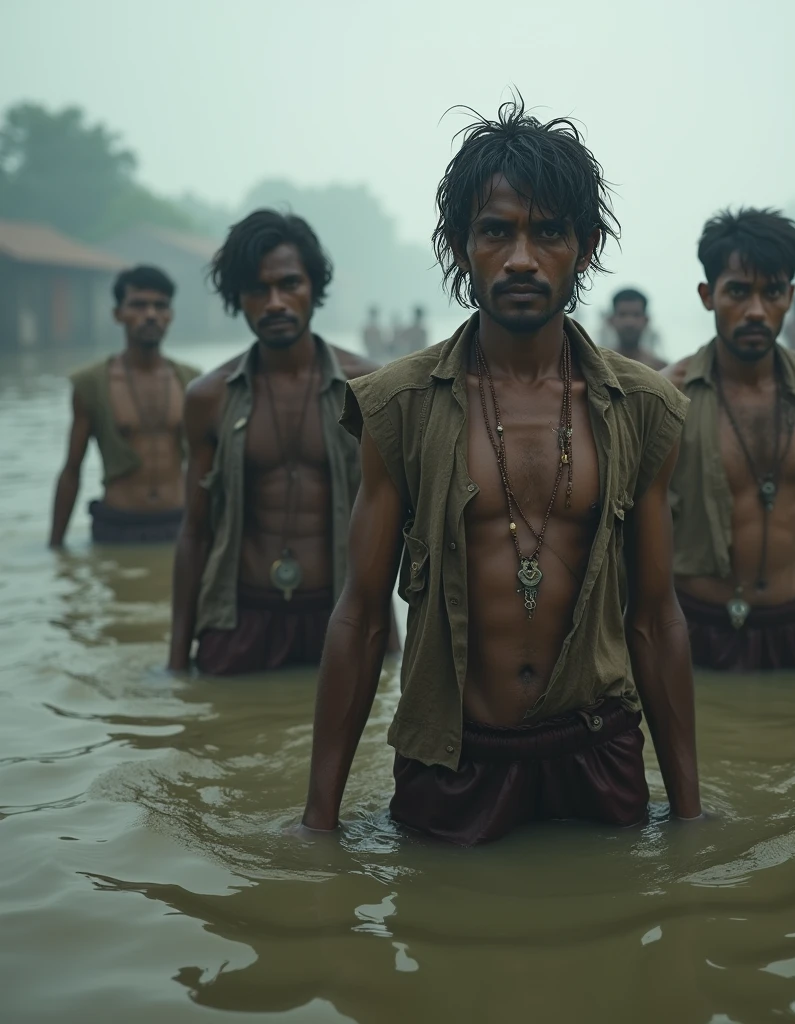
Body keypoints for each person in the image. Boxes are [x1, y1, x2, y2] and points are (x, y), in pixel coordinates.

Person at [301, 99, 701, 845]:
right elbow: (358, 617)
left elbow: (655, 617)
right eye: (497, 231)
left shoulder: (644, 408)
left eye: (548, 232)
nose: (522, 258)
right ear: (460, 248)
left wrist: (689, 816)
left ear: (585, 247)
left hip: (598, 753)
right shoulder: (401, 405)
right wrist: (317, 824)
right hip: (456, 757)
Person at [663, 209, 795, 673]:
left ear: (790, 296)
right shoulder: (667, 396)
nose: (757, 311)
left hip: (793, 629)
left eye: (773, 292)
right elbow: (633, 543)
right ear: (708, 296)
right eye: (738, 291)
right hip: (695, 629)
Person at [168, 210, 381, 676]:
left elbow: (389, 527)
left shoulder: (366, 387)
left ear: (314, 288)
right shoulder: (209, 397)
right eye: (257, 290)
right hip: (241, 617)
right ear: (237, 300)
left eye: (289, 284)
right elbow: (195, 531)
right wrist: (176, 664)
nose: (275, 302)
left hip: (337, 617)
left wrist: (391, 644)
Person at [50, 265, 200, 547]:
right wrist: (56, 548)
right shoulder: (92, 384)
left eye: (160, 306)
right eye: (138, 305)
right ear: (118, 314)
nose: (151, 314)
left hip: (180, 523)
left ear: (170, 316)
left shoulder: (192, 382)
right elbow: (72, 469)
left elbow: (211, 467)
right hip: (117, 526)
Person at [607, 287, 666, 369]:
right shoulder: (600, 364)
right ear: (611, 320)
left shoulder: (661, 368)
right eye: (622, 314)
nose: (629, 322)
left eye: (636, 315)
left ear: (646, 320)